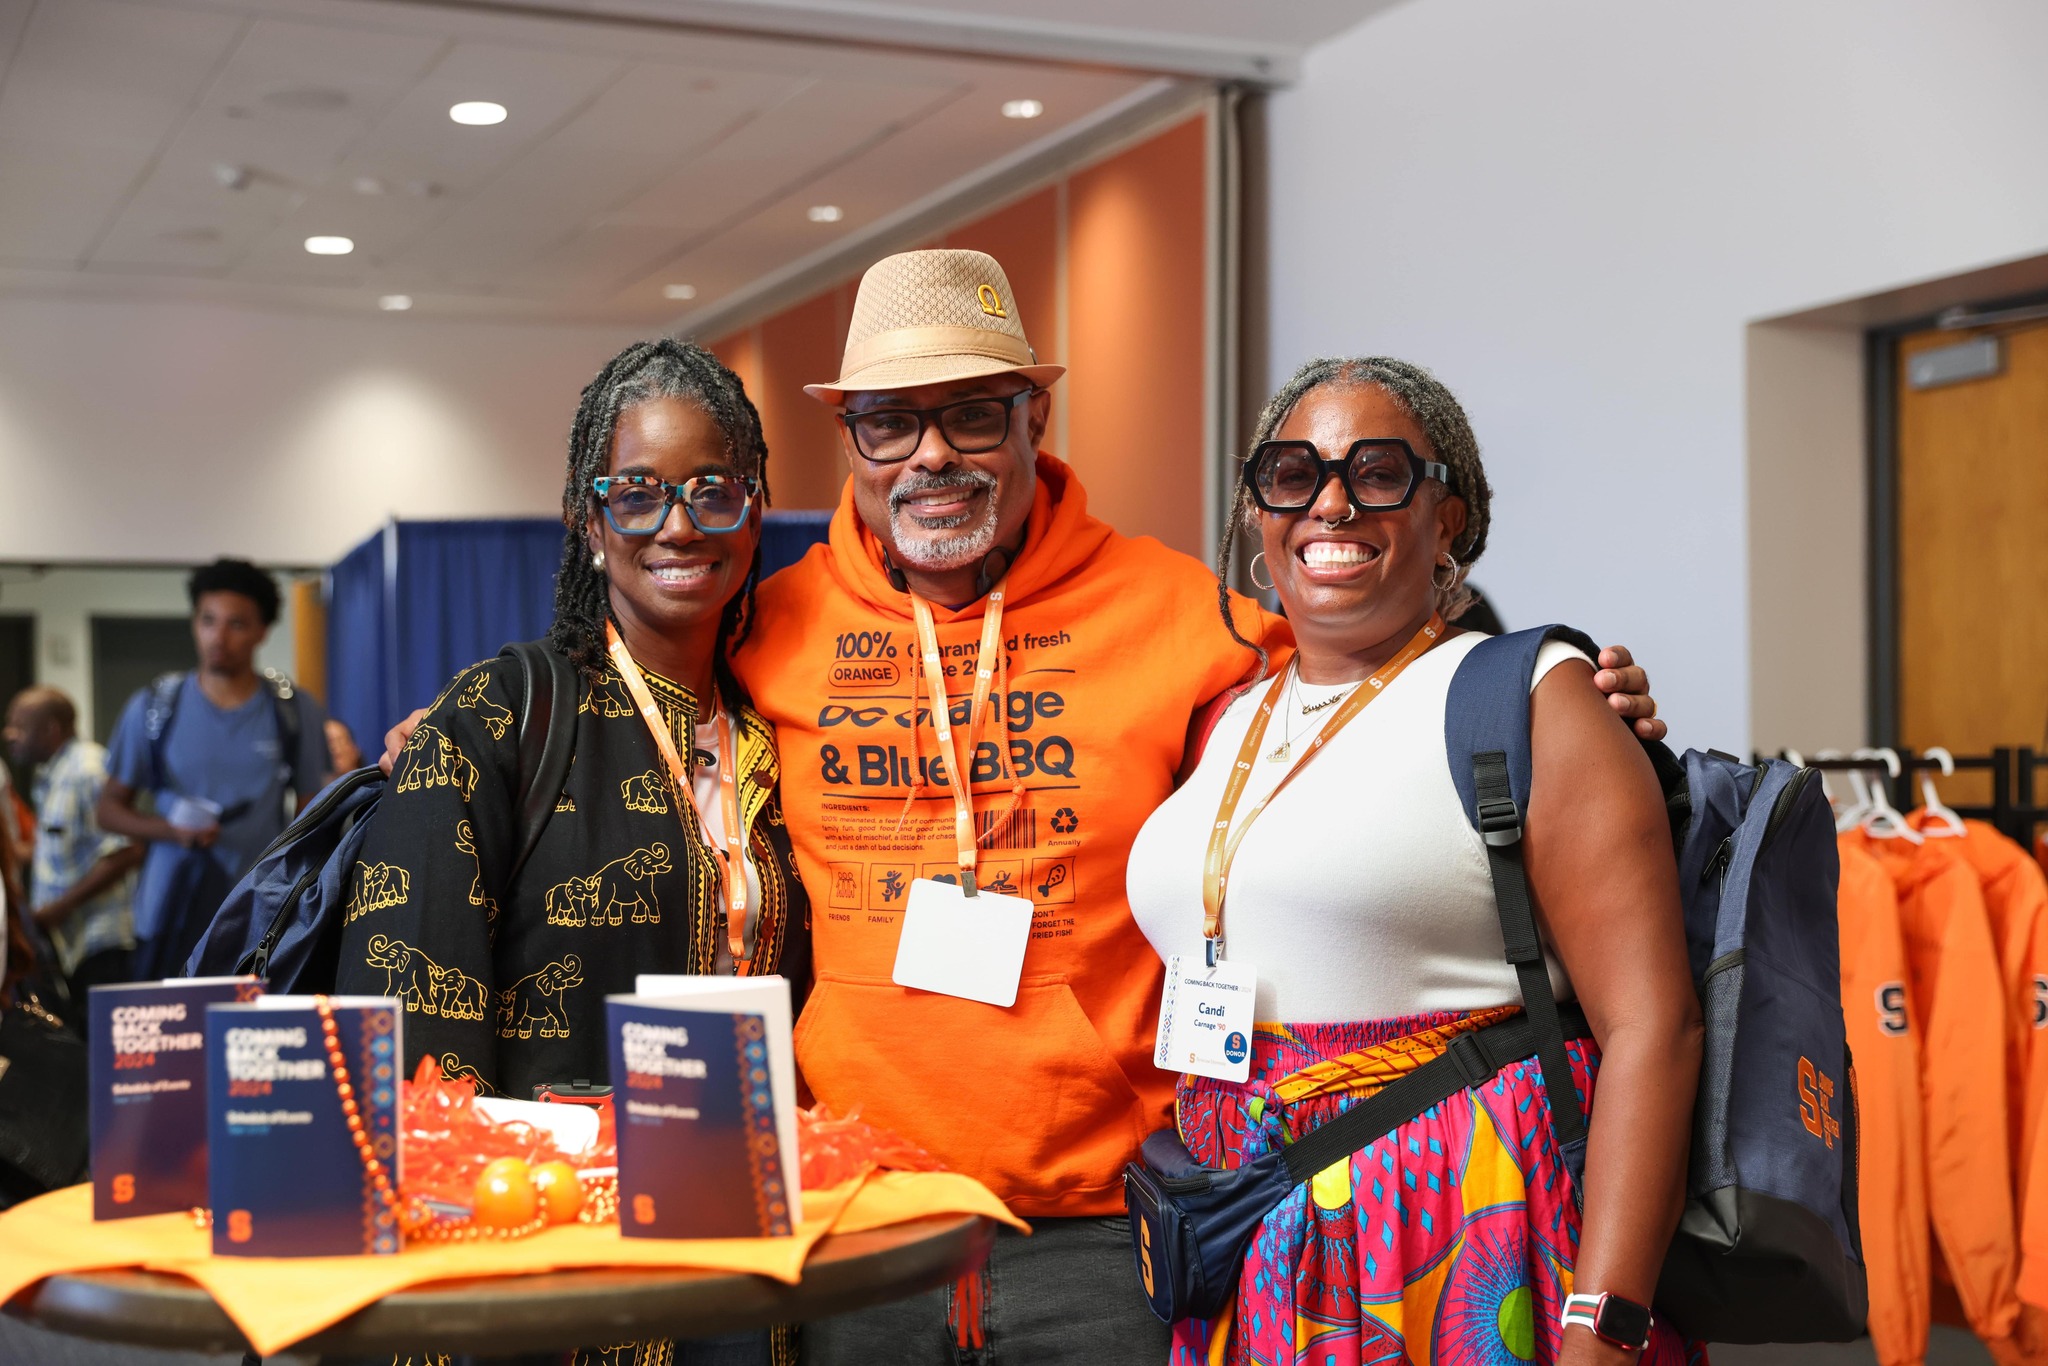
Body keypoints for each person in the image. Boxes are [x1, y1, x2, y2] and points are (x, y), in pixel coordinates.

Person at [723, 250, 1665, 1363]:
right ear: (850, 442)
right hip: (857, 1218)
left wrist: (1593, 711)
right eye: (889, 422)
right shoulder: (764, 628)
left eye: (973, 413)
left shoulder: (1193, 618)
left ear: (1033, 416)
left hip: (1111, 1224)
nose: (932, 453)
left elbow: (1372, 661)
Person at [1125, 357, 1702, 1365]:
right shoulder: (1225, 716)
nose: (1331, 503)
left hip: (1463, 1231)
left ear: (1452, 519)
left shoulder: (1529, 693)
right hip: (1250, 1236)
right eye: (1292, 473)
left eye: (1379, 472)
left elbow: (1652, 1024)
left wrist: (1601, 1325)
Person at [343, 339, 809, 1366]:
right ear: (586, 518)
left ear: (755, 506)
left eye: (711, 490)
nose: (678, 525)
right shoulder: (498, 717)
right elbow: (414, 1036)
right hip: (553, 1269)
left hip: (750, 1256)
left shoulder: (785, 731)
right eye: (637, 493)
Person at [99, 559, 331, 979]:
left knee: (249, 1039)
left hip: (260, 917)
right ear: (195, 623)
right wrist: (172, 831)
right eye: (208, 620)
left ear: (262, 631)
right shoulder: (152, 708)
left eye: (236, 624)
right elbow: (109, 810)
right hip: (169, 912)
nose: (217, 637)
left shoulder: (294, 711)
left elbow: (314, 810)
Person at [3, 688, 140, 1003]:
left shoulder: (87, 771)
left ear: (50, 729)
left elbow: (128, 851)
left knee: (100, 1046)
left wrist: (58, 909)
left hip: (101, 943)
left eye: (19, 726)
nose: (9, 734)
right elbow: (57, 846)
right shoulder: (50, 774)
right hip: (68, 945)